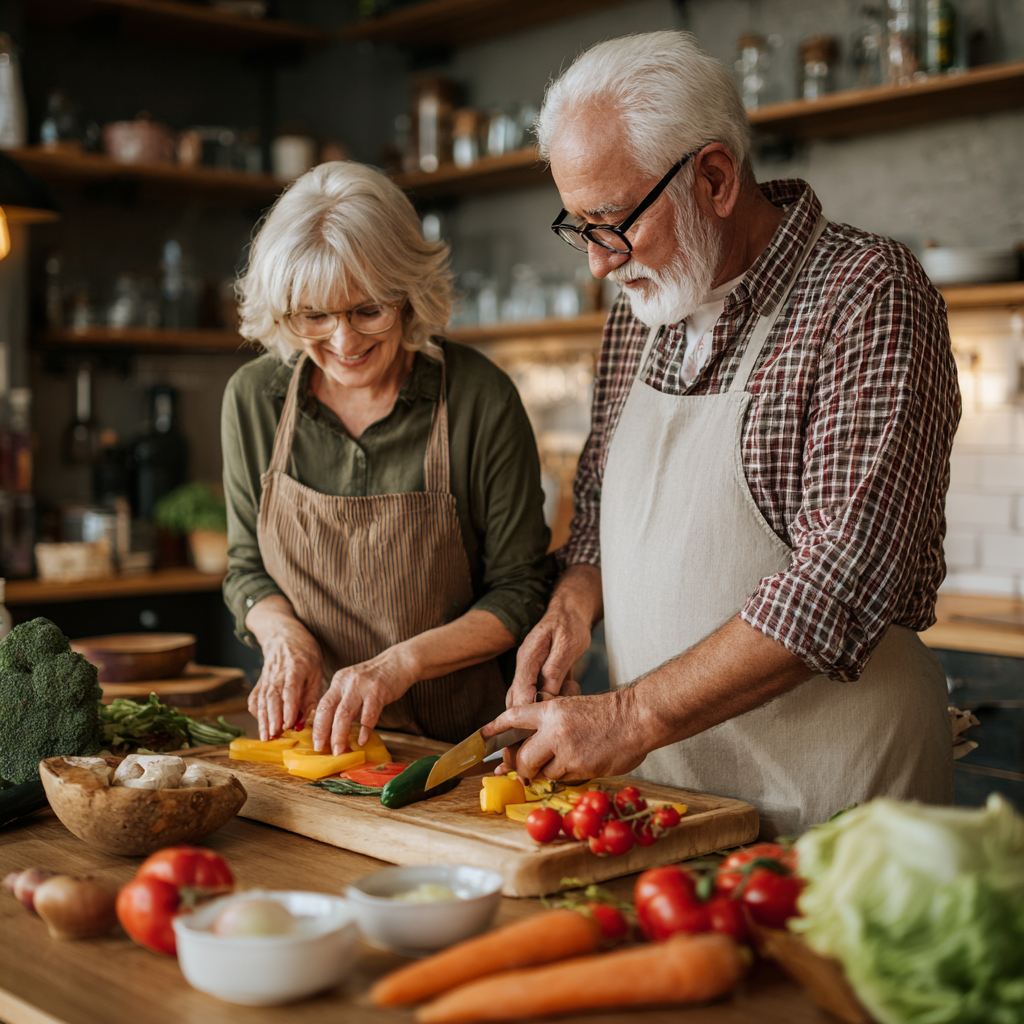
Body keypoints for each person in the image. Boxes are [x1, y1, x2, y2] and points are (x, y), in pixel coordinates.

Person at [486, 31, 959, 837]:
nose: (599, 264)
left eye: (613, 221)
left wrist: (626, 717)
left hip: (840, 808)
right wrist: (572, 605)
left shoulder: (868, 294)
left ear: (714, 177)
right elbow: (598, 516)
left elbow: (839, 582)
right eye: (580, 226)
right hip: (670, 800)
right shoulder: (639, 312)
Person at [222, 161, 551, 755]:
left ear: (409, 295)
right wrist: (284, 639)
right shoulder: (254, 400)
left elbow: (520, 592)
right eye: (315, 316)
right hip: (312, 743)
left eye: (368, 310)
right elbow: (246, 568)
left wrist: (401, 664)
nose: (344, 344)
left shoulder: (480, 397)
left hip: (458, 750)